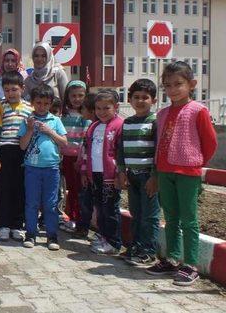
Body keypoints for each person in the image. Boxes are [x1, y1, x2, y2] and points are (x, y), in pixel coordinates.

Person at [146, 61, 217, 286]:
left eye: (178, 84)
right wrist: (156, 172)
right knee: (171, 218)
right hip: (165, 170)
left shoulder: (199, 110)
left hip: (188, 171)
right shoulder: (162, 113)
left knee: (189, 219)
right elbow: (158, 144)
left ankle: (191, 264)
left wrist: (196, 162)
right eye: (167, 85)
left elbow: (210, 143)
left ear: (192, 84)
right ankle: (172, 259)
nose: (173, 89)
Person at [18, 84, 67, 250]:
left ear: (51, 103)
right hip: (32, 168)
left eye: (46, 103)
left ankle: (52, 236)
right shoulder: (28, 120)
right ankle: (31, 233)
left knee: (51, 203)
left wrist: (49, 131)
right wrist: (30, 129)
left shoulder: (55, 120)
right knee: (31, 202)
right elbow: (22, 146)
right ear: (32, 102)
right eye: (38, 103)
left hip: (52, 168)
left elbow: (64, 142)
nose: (42, 106)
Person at [116, 79, 159, 266]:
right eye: (136, 97)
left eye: (145, 97)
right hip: (132, 175)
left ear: (154, 100)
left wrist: (154, 176)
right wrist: (122, 172)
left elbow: (158, 151)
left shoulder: (155, 122)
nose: (140, 101)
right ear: (129, 99)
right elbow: (121, 149)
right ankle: (135, 247)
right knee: (136, 213)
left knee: (149, 215)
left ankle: (149, 251)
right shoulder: (127, 123)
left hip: (148, 177)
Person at [0, 73, 33, 242]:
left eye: (14, 89)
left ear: (22, 89)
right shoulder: (0, 106)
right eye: (7, 90)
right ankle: (4, 225)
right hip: (4, 152)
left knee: (21, 190)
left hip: (23, 153)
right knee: (5, 189)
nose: (11, 93)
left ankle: (17, 225)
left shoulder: (30, 108)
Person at [84, 90, 124, 255]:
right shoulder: (93, 126)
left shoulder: (119, 125)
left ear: (116, 107)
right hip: (95, 174)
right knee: (99, 207)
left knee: (110, 209)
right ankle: (103, 236)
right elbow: (87, 150)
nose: (101, 112)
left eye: (106, 108)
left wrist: (119, 174)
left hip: (110, 176)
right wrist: (86, 172)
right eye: (98, 108)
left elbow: (121, 152)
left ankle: (114, 242)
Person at [59, 80, 90, 233]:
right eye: (73, 96)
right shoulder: (63, 114)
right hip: (66, 158)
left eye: (80, 95)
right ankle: (70, 217)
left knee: (80, 190)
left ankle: (78, 219)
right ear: (68, 97)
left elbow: (85, 139)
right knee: (70, 189)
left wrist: (81, 159)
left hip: (80, 159)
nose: (77, 99)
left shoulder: (87, 116)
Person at [75, 92, 98, 239]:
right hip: (86, 170)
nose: (80, 111)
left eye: (82, 108)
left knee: (95, 202)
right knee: (85, 200)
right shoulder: (91, 127)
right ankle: (83, 227)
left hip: (97, 171)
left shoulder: (96, 127)